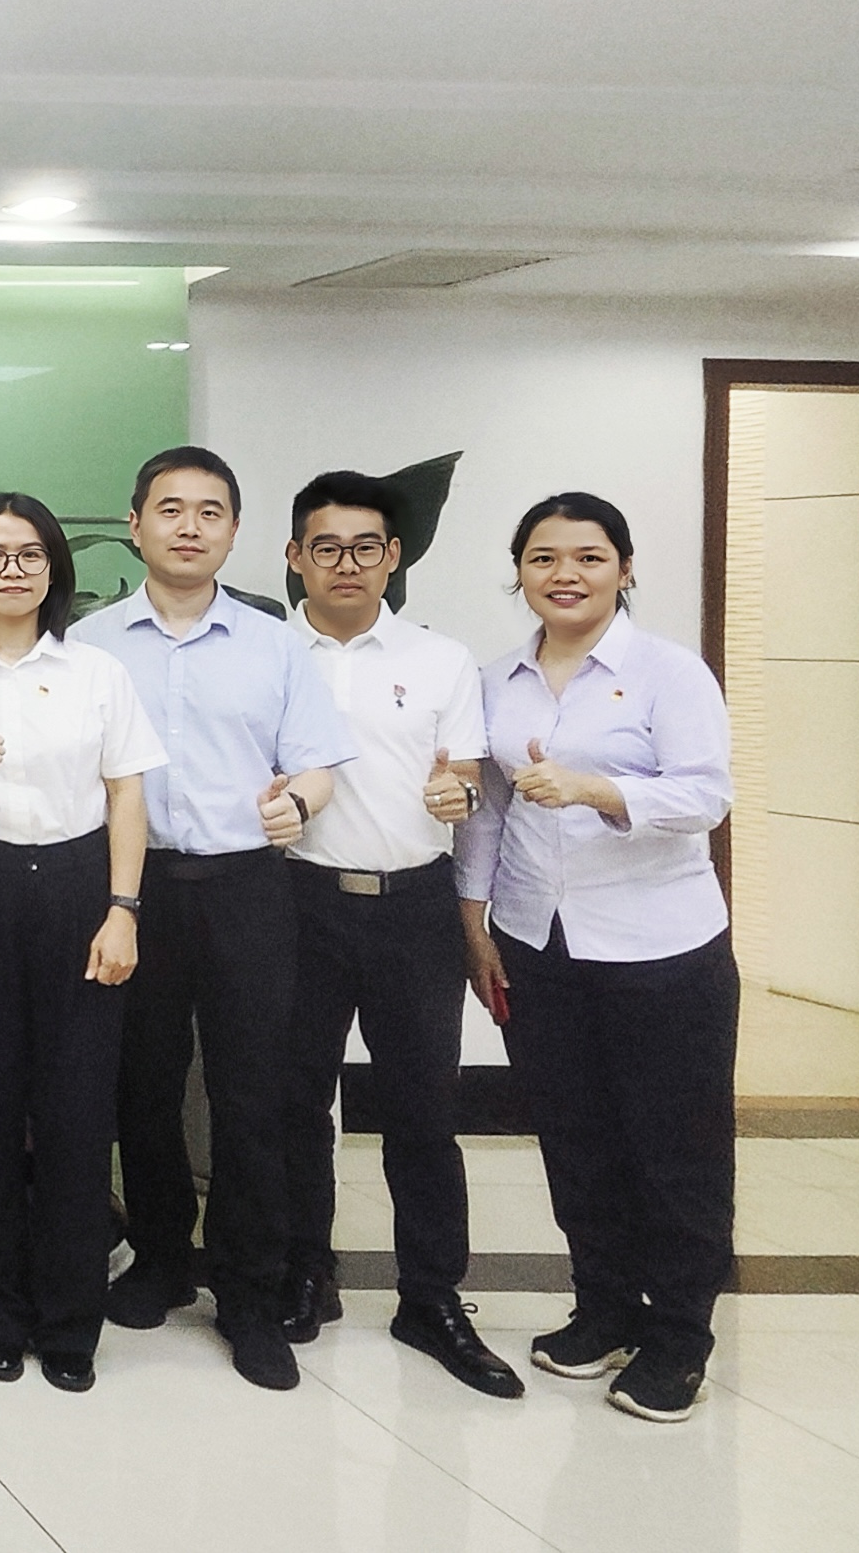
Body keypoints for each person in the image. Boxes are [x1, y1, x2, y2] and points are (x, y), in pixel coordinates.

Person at [70, 445, 352, 1391]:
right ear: (135, 524)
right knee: (141, 1087)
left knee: (250, 1094)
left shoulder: (276, 643)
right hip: (131, 889)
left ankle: (248, 1294)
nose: (187, 526)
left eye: (208, 511)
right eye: (169, 508)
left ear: (233, 531)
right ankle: (158, 1258)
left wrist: (298, 803)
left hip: (246, 888)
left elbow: (316, 761)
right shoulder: (92, 645)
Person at [458, 492, 734, 1425]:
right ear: (519, 573)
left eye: (586, 556)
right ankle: (604, 1306)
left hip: (661, 945)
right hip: (538, 940)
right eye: (542, 558)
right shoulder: (498, 680)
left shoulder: (667, 672)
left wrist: (593, 789)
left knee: (675, 1146)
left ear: (622, 568)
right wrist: (474, 924)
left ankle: (680, 1336)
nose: (564, 574)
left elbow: (704, 796)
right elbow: (489, 810)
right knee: (574, 1137)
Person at [275, 471, 522, 1398]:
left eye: (365, 547)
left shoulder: (440, 659)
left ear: (393, 557)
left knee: (422, 1109)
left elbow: (465, 778)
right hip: (295, 901)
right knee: (294, 1102)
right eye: (325, 547)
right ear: (295, 556)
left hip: (413, 905)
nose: (346, 563)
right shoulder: (267, 653)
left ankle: (430, 1295)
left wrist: (454, 794)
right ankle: (307, 1270)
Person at [0, 492, 160, 1394]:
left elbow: (126, 794)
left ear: (52, 568)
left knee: (75, 1104)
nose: (10, 569)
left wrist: (122, 907)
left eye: (27, 554)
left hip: (78, 884)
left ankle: (68, 1321)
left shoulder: (97, 672)